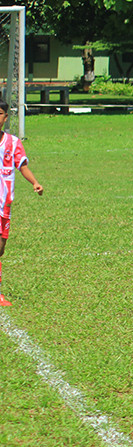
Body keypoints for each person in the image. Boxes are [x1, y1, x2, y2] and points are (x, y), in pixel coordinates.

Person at [0, 101, 44, 307]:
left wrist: (34, 182)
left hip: (3, 206)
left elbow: (22, 166)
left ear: (5, 117)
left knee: (0, 249)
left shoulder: (13, 142)